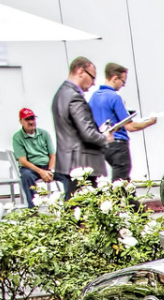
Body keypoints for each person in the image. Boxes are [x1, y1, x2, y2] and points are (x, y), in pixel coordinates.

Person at [51, 56, 112, 197]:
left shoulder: (61, 94)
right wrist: (104, 137)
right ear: (80, 72)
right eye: (92, 77)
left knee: (76, 209)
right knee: (84, 211)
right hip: (82, 163)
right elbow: (87, 132)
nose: (93, 83)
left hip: (70, 162)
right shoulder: (74, 96)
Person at [89, 63, 157, 184]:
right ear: (115, 78)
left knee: (119, 180)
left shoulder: (93, 97)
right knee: (120, 181)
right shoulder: (114, 97)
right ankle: (123, 201)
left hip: (102, 144)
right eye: (123, 81)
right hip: (118, 145)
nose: (123, 85)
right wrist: (150, 121)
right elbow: (130, 126)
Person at [11, 107, 56, 208]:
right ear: (21, 121)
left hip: (47, 166)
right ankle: (33, 208)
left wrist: (50, 170)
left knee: (66, 174)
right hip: (31, 168)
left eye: (32, 119)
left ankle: (70, 204)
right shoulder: (17, 137)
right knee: (26, 176)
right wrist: (41, 172)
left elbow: (52, 154)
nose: (31, 122)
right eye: (27, 119)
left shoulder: (44, 133)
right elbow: (23, 161)